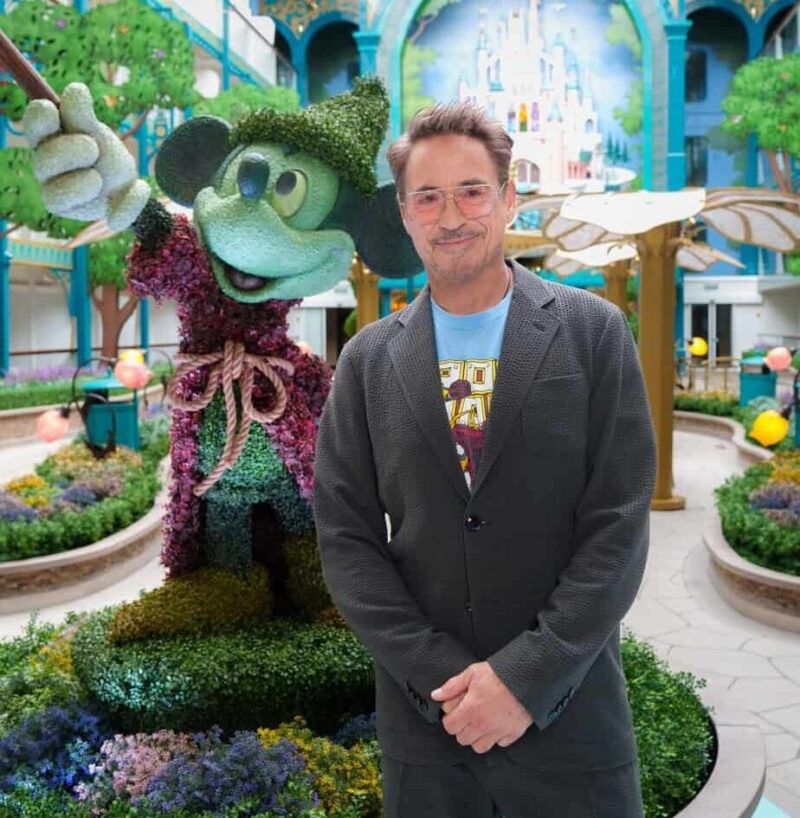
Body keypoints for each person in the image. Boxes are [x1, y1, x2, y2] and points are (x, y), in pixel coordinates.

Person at [312, 100, 657, 818]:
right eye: (427, 197)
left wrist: (525, 679)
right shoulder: (368, 361)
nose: (451, 216)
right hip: (431, 729)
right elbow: (345, 538)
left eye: (471, 191)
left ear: (507, 198)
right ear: (404, 214)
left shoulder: (593, 333)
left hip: (571, 721)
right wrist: (445, 680)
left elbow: (619, 524)